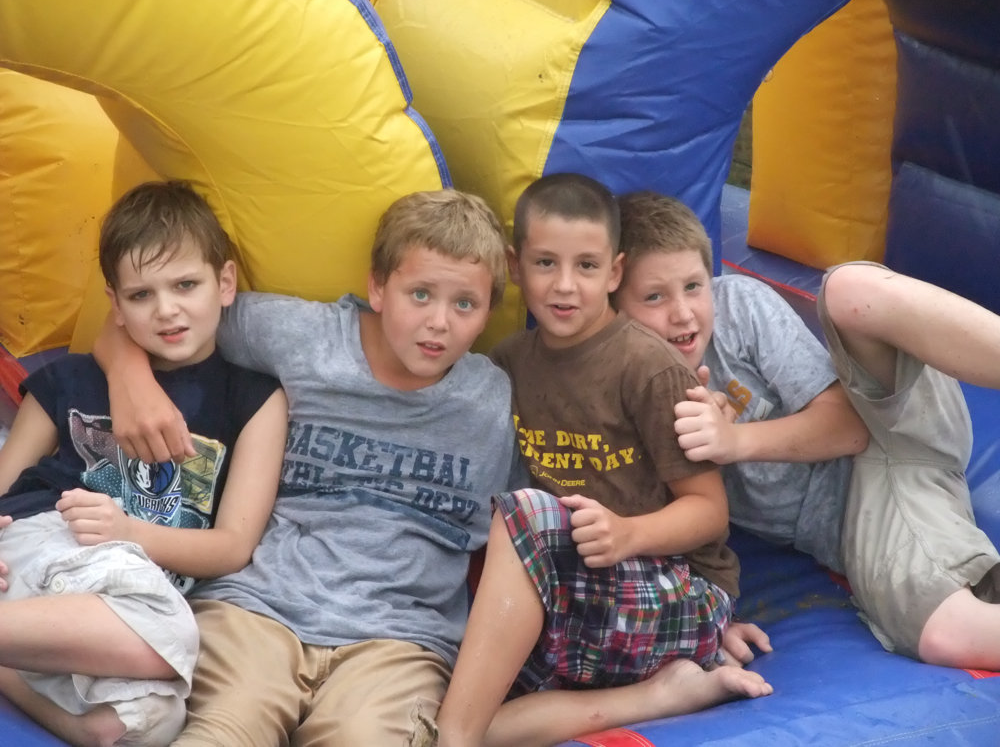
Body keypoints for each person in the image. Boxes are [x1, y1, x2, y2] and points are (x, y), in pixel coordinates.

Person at [94, 188, 522, 746]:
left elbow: (525, 533)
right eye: (419, 294)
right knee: (224, 730)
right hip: (258, 608)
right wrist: (130, 378)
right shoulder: (305, 337)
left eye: (465, 304)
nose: (438, 323)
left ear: (489, 311)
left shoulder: (491, 400)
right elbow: (150, 317)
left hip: (398, 642)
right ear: (377, 286)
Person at [433, 173, 772, 747]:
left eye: (586, 267)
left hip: (681, 591)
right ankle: (659, 696)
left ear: (613, 273)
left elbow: (709, 512)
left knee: (527, 515)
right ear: (515, 267)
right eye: (545, 264)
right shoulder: (510, 363)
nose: (565, 286)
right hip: (579, 592)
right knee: (468, 708)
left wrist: (626, 534)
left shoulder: (649, 368)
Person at [613, 190, 1000, 671]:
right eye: (654, 297)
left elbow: (849, 427)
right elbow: (649, 519)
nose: (683, 313)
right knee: (947, 633)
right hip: (866, 511)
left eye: (694, 286)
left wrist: (733, 442)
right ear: (616, 308)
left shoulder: (738, 309)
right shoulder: (627, 395)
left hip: (888, 419)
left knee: (849, 288)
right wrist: (705, 618)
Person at [0, 180, 288, 747]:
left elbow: (232, 545)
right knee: (174, 631)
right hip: (46, 543)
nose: (167, 310)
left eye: (186, 285)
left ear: (225, 282)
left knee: (152, 719)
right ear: (115, 303)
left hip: (120, 597)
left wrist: (130, 532)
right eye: (141, 295)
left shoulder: (252, 399)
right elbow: (7, 482)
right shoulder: (70, 380)